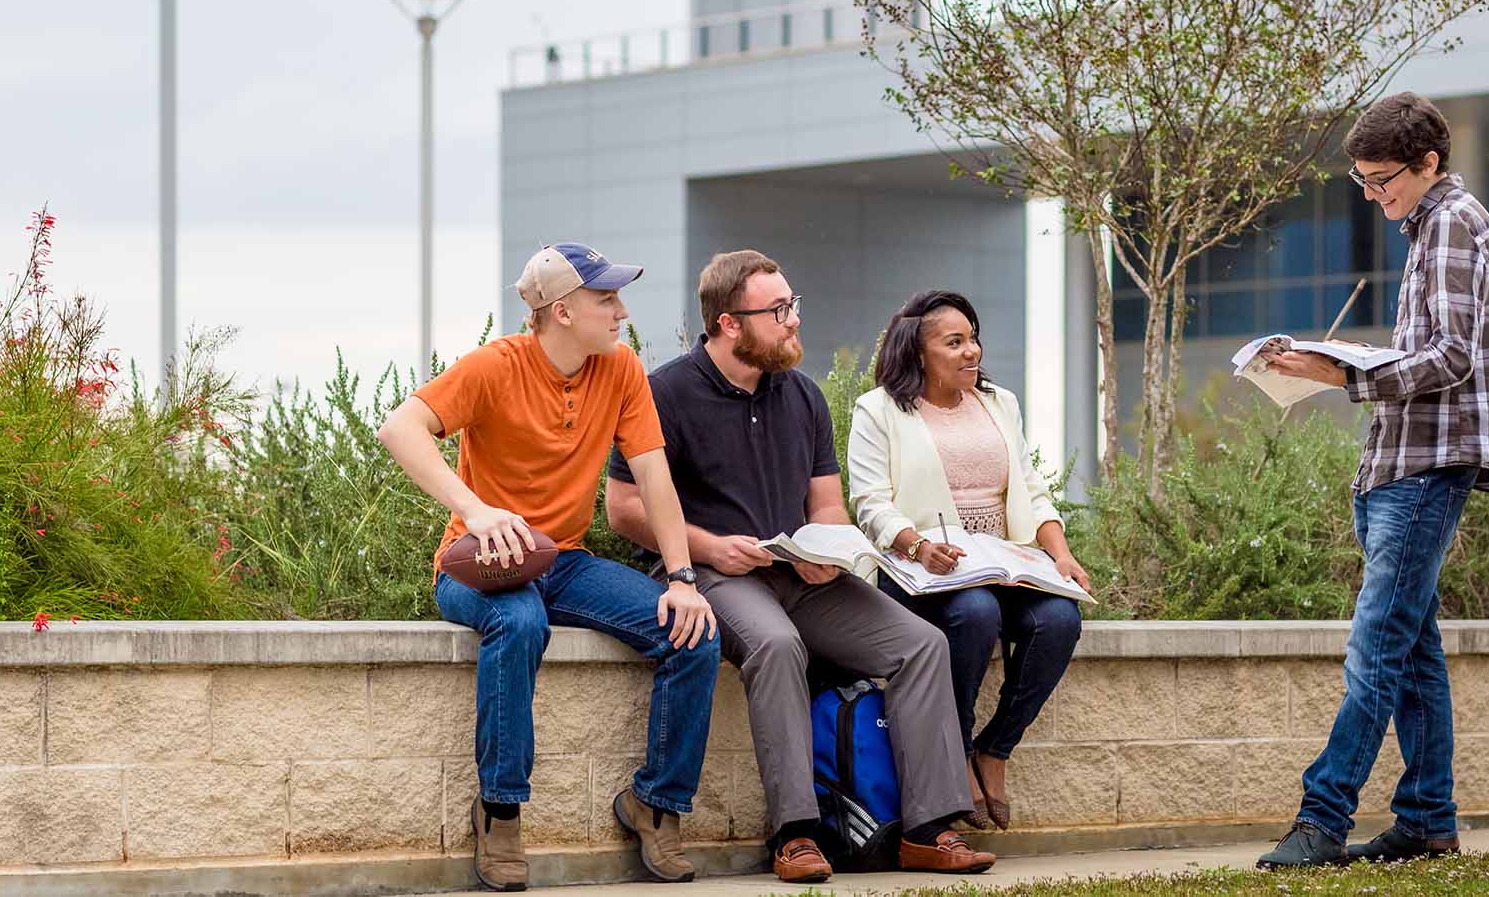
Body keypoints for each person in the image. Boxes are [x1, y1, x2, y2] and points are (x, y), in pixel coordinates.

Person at [602, 250, 998, 883]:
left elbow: (828, 506)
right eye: (778, 310)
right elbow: (623, 509)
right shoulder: (665, 392)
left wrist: (829, 552)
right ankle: (796, 832)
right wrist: (710, 548)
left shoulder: (805, 395)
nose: (792, 321)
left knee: (922, 644)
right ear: (730, 323)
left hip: (800, 576)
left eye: (793, 305)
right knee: (778, 646)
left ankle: (927, 829)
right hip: (710, 576)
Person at [376, 242, 721, 891]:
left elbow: (654, 477)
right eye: (605, 299)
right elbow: (400, 427)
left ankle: (657, 801)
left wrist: (682, 579)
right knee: (519, 623)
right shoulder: (494, 366)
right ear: (561, 311)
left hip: (564, 561)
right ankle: (501, 812)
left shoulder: (619, 370)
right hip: (481, 568)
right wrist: (475, 510)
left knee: (696, 632)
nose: (621, 311)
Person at [1253, 92, 1489, 868]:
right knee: (1412, 654)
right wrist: (1340, 367)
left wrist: (1340, 371)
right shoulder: (1431, 226)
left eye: (1383, 180)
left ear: (1429, 161)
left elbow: (1449, 357)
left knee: (1374, 650)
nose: (1375, 195)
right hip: (1404, 464)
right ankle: (1427, 821)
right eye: (1363, 182)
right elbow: (1433, 352)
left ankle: (1321, 819)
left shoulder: (1448, 224)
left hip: (1427, 467)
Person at [846, 289, 1090, 831]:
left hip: (1000, 562)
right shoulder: (879, 409)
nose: (971, 351)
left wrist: (1061, 556)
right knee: (975, 612)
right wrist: (916, 544)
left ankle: (993, 750)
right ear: (918, 351)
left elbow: (1031, 487)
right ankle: (952, 754)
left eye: (973, 338)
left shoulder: (999, 402)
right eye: (954, 342)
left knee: (1059, 621)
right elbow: (869, 502)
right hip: (921, 571)